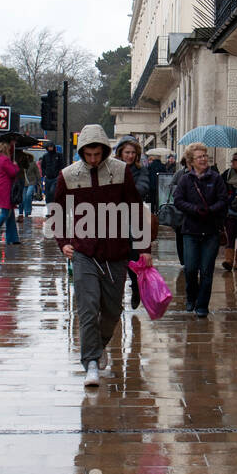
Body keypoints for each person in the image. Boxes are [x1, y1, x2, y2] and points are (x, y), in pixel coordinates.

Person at [54, 125, 152, 387]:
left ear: (106, 151)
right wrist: (63, 242)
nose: (93, 159)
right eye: (89, 154)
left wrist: (144, 248)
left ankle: (98, 346)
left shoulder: (120, 171)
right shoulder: (68, 175)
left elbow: (135, 208)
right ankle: (91, 364)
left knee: (112, 309)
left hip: (116, 252)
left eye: (98, 154)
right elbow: (57, 209)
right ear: (82, 152)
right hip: (84, 252)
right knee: (87, 308)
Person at [172, 142, 228, 317]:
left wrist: (211, 210)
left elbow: (223, 200)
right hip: (190, 231)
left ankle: (202, 305)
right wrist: (194, 209)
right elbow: (178, 200)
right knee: (190, 269)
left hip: (211, 231)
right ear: (191, 161)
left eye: (205, 155)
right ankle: (191, 297)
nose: (204, 159)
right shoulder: (185, 179)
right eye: (199, 157)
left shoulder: (216, 178)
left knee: (206, 271)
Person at [115, 137, 154, 310]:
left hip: (134, 218)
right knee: (116, 259)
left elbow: (141, 189)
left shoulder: (141, 170)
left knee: (132, 257)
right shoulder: (112, 168)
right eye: (127, 152)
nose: (130, 156)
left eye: (133, 153)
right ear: (120, 153)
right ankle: (116, 297)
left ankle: (136, 287)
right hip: (113, 218)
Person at [17, 149, 41, 221]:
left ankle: (27, 212)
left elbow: (37, 173)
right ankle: (24, 212)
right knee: (24, 198)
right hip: (24, 183)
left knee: (28, 195)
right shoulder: (21, 164)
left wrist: (39, 182)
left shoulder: (33, 164)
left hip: (31, 182)